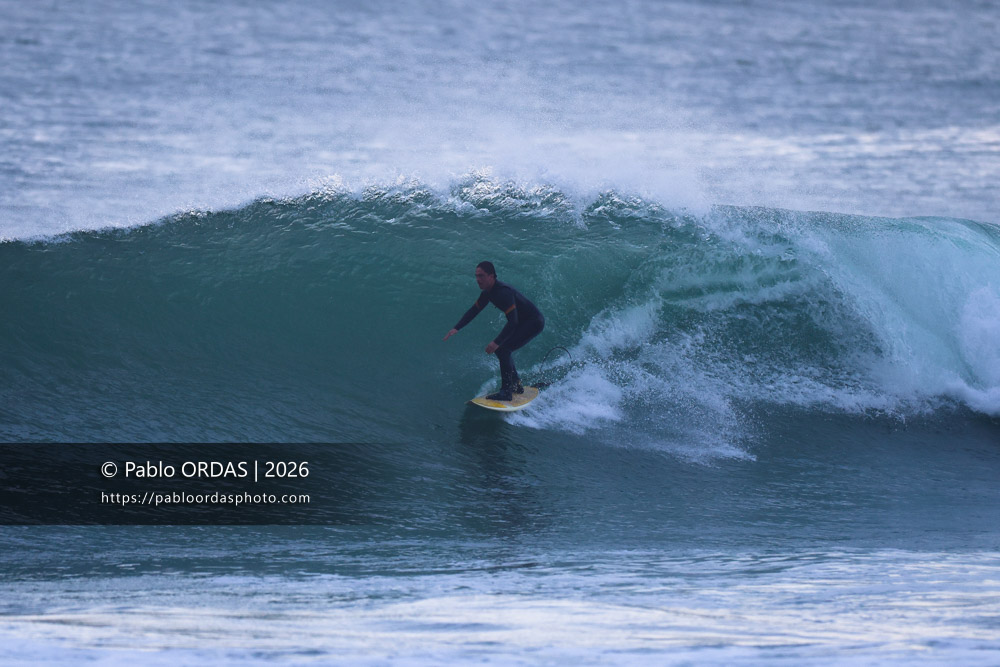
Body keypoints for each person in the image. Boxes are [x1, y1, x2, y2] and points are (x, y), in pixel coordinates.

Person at [443, 261, 545, 401]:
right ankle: (515, 385)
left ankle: (506, 392)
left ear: (491, 276)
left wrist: (496, 342)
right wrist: (456, 327)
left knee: (502, 349)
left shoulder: (503, 292)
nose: (478, 279)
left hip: (534, 322)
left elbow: (513, 322)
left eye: (481, 276)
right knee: (503, 349)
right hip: (523, 322)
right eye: (476, 276)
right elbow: (474, 310)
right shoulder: (488, 293)